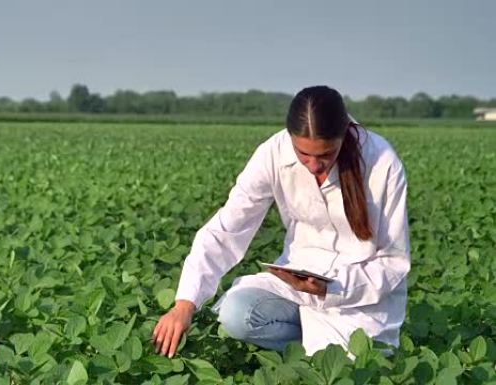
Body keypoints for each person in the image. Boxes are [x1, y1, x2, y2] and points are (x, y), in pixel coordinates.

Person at [152, 85, 410, 358]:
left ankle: (316, 353)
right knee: (236, 314)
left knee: (350, 365)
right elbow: (227, 229)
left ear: (344, 134)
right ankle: (307, 349)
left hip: (359, 300)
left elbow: (393, 262)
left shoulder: (381, 163)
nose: (313, 166)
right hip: (295, 286)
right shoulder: (273, 153)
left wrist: (331, 288)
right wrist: (184, 305)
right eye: (303, 154)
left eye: (325, 155)